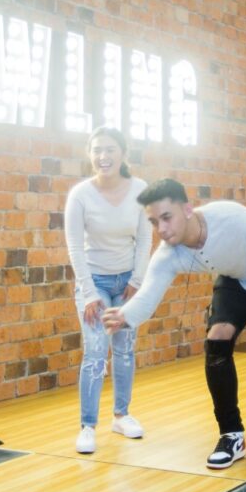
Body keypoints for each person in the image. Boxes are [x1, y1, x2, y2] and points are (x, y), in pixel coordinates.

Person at [101, 179, 246, 469]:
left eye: (166, 218)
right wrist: (125, 316)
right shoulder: (168, 253)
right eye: (153, 222)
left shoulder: (233, 219)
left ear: (187, 209)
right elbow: (149, 294)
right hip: (234, 282)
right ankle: (231, 434)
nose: (161, 229)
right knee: (217, 340)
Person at [64, 126, 152, 454]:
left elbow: (145, 238)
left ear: (123, 154)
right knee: (96, 352)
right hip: (95, 283)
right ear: (90, 155)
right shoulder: (80, 195)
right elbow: (74, 245)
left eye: (110, 149)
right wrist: (89, 293)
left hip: (127, 282)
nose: (103, 156)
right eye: (97, 150)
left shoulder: (141, 190)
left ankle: (122, 415)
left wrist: (137, 282)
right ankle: (88, 425)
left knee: (125, 349)